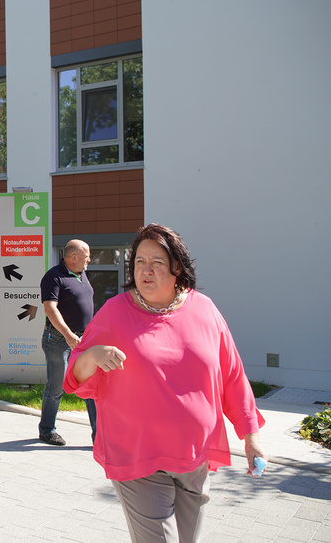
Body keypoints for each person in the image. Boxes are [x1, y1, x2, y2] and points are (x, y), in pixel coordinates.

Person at [64, 224, 266, 542]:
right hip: (137, 456)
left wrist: (250, 436)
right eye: (139, 261)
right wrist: (94, 354)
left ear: (176, 267)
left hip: (194, 456)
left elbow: (231, 375)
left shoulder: (205, 310)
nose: (146, 269)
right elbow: (75, 374)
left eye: (156, 262)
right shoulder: (114, 313)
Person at [38, 239, 97, 446]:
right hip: (59, 340)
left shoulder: (82, 274)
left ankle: (99, 435)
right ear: (74, 257)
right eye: (86, 256)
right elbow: (50, 309)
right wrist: (69, 335)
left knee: (91, 386)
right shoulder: (53, 277)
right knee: (56, 387)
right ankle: (47, 430)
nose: (89, 259)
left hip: (85, 339)